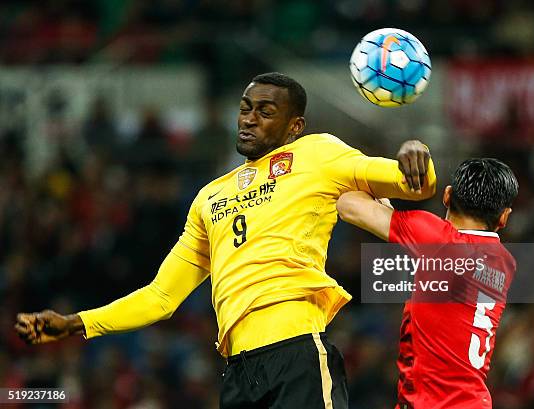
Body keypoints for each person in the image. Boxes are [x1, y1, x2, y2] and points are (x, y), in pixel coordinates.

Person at [15, 72, 437, 409]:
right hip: (238, 371)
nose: (249, 118)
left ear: (295, 127)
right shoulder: (209, 197)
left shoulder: (318, 154)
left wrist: (417, 150)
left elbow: (417, 186)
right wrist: (77, 324)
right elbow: (161, 296)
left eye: (266, 111)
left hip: (296, 354)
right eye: (245, 108)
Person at [336, 158, 518, 409]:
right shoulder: (505, 262)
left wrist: (387, 188)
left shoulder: (434, 236)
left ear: (447, 196)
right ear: (504, 217)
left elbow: (347, 205)